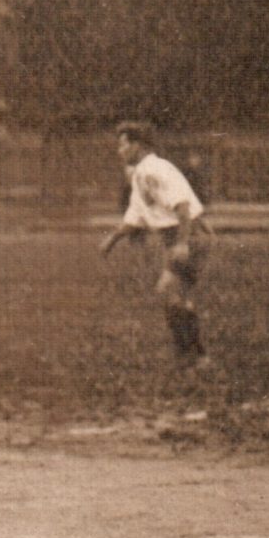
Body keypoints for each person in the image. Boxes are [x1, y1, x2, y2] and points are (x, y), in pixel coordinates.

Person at [100, 120, 214, 369]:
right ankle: (193, 355)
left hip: (186, 235)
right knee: (177, 297)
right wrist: (113, 239)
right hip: (180, 236)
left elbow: (182, 205)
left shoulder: (153, 170)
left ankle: (192, 355)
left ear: (137, 145)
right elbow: (136, 216)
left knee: (169, 292)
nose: (119, 151)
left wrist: (183, 243)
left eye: (123, 145)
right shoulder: (143, 172)